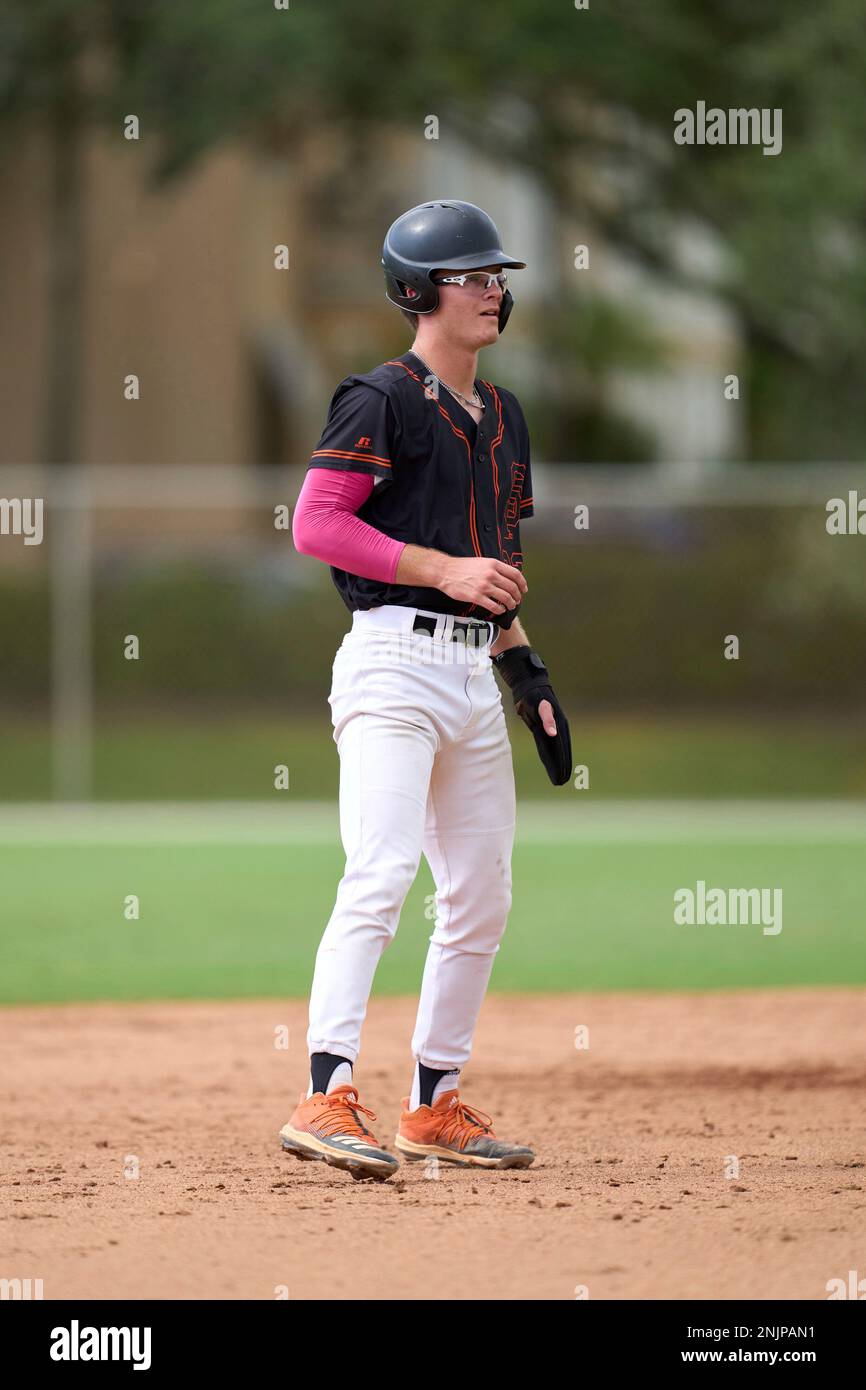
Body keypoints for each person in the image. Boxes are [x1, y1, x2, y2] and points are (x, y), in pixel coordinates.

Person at [280, 200, 571, 1181]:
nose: (494, 289)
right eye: (471, 275)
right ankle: (324, 1091)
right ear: (417, 292)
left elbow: (494, 563)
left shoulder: (504, 415)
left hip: (466, 673)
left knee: (480, 894)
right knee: (379, 872)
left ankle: (432, 1104)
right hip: (392, 662)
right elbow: (317, 524)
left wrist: (524, 668)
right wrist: (442, 569)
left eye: (497, 274)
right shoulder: (381, 397)